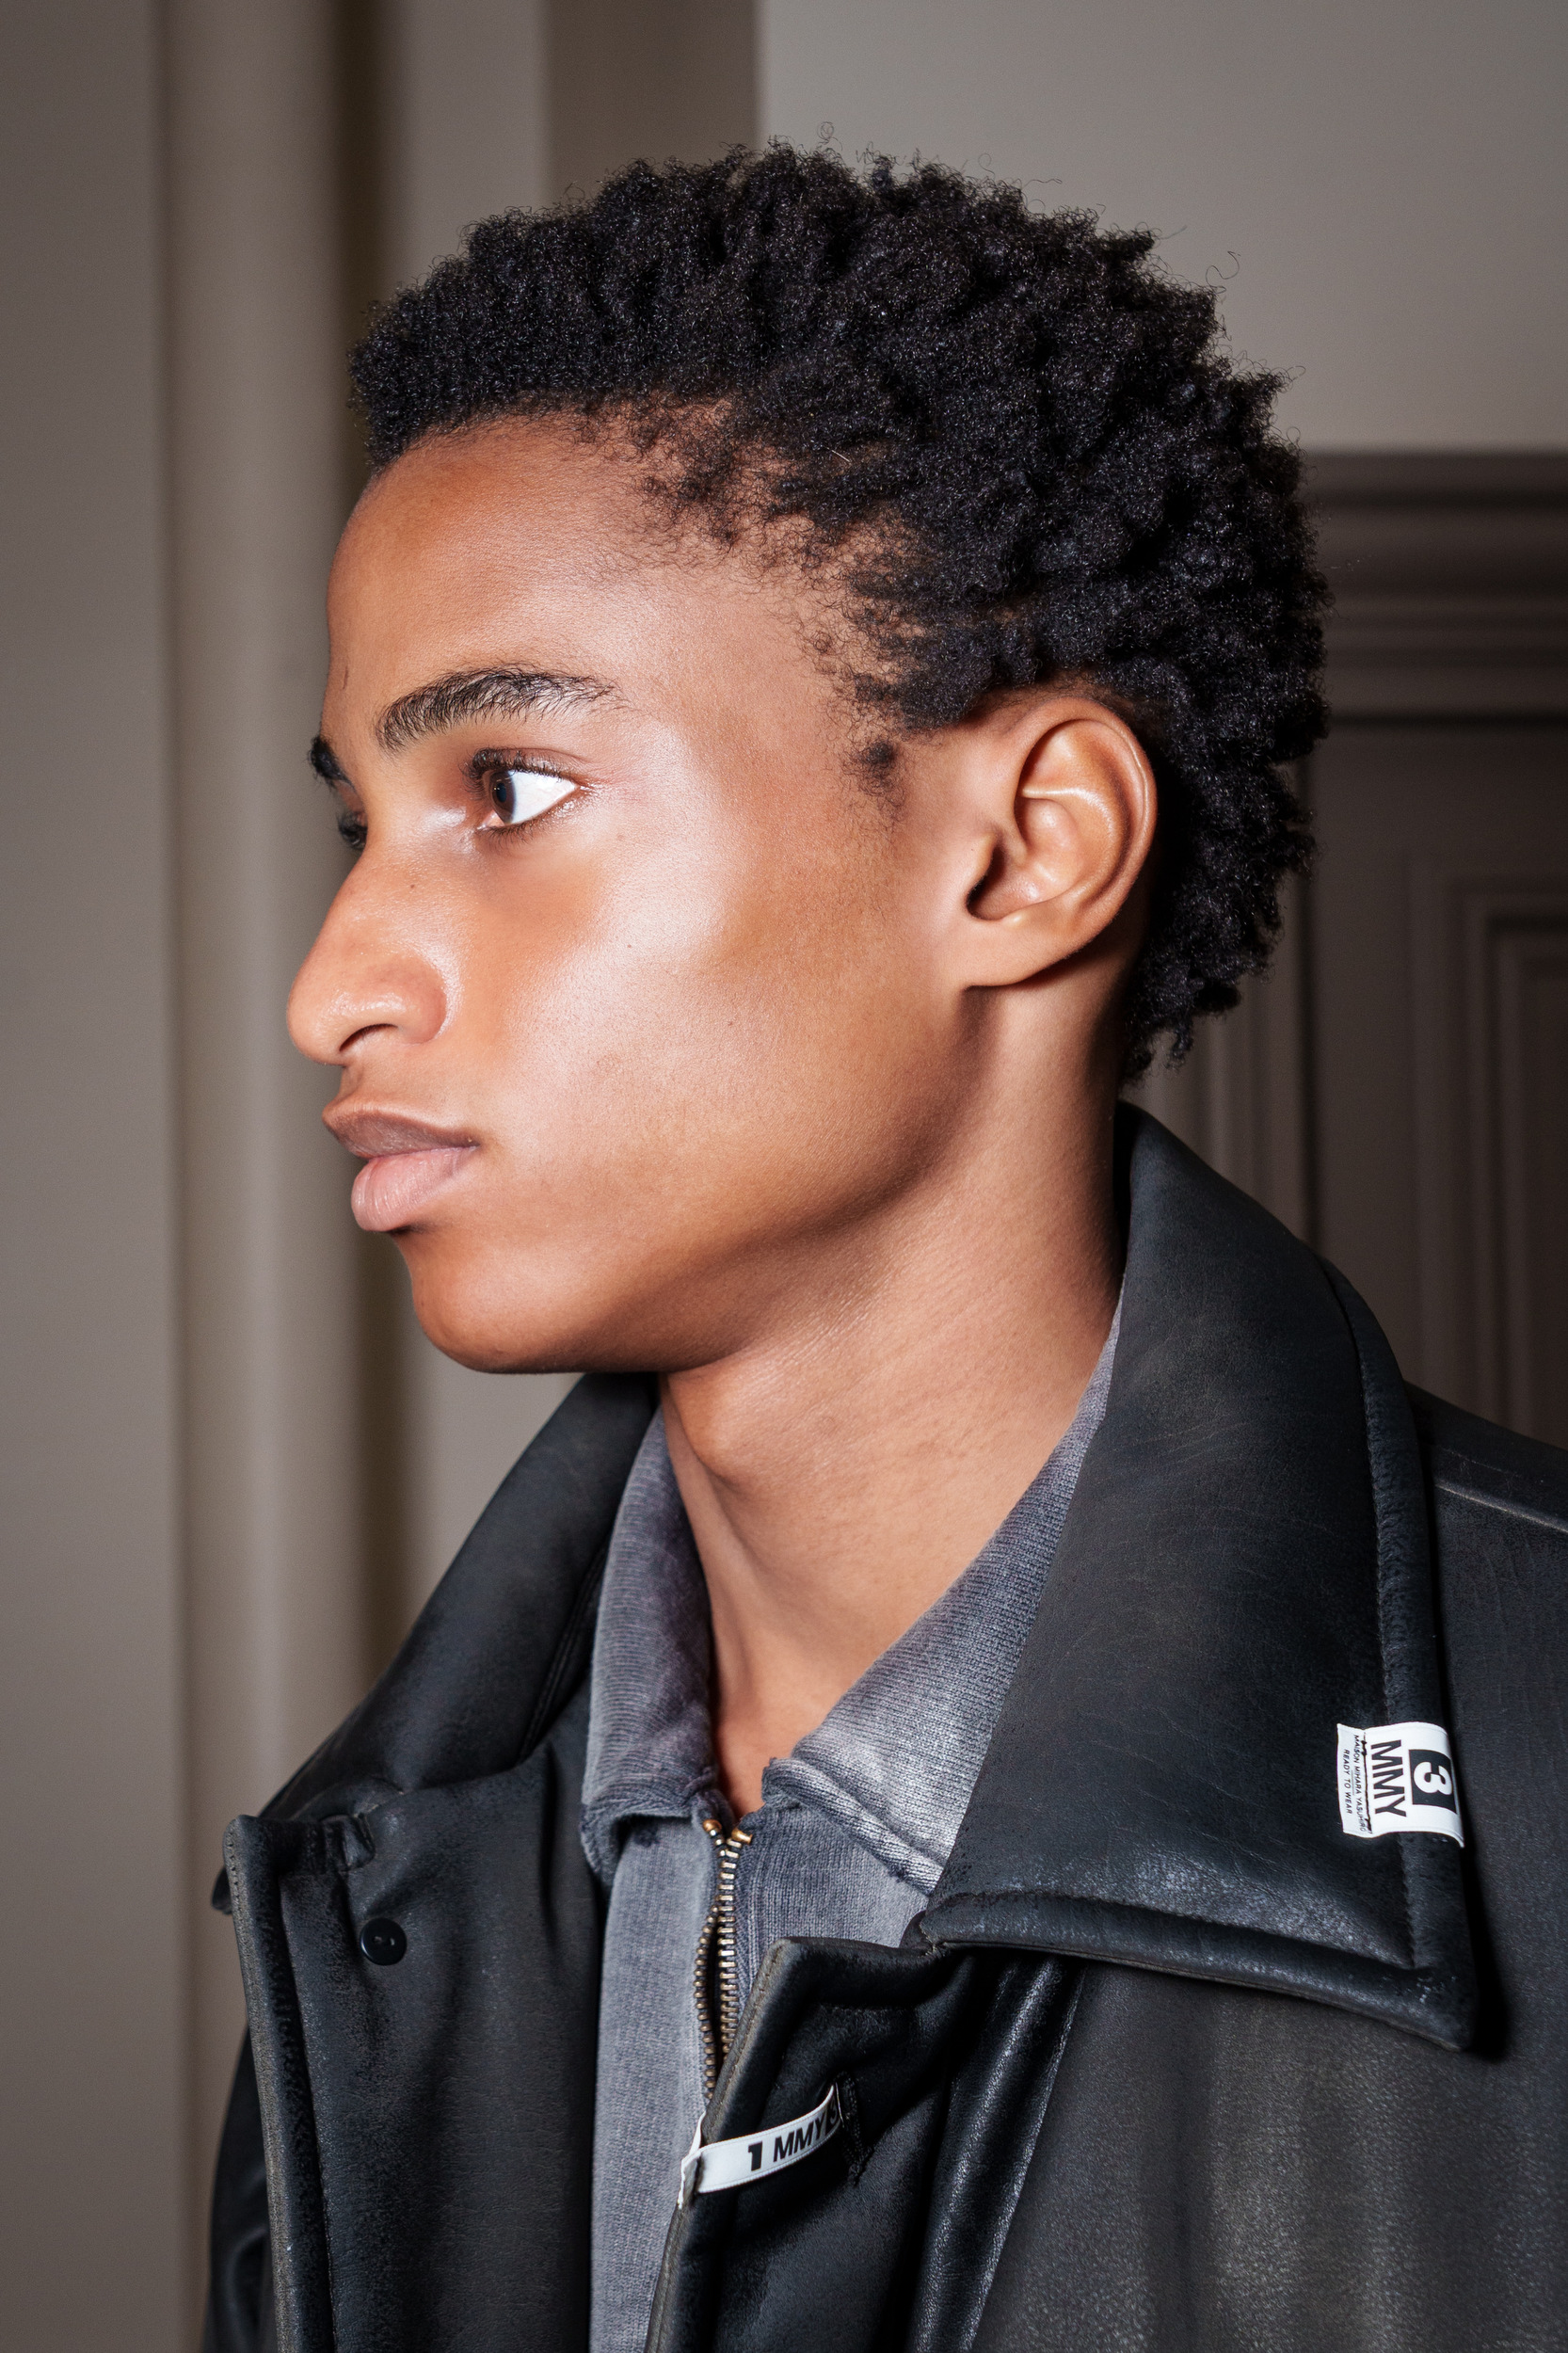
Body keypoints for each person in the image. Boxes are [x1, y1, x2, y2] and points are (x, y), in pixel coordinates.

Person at [203, 149, 1568, 2353]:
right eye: (363, 820)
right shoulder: (378, 1884)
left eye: (510, 791)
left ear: (1024, 849)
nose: (333, 981)